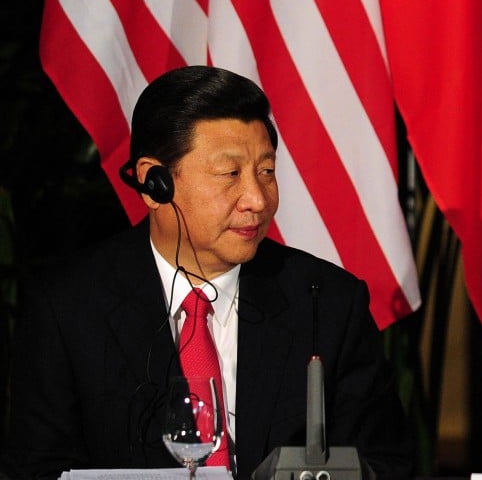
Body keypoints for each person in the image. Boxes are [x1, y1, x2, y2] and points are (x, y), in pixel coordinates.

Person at [2, 66, 413, 479]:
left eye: (266, 172)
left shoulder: (327, 302)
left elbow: (385, 464)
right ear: (154, 183)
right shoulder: (68, 307)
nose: (256, 199)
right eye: (229, 174)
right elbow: (36, 469)